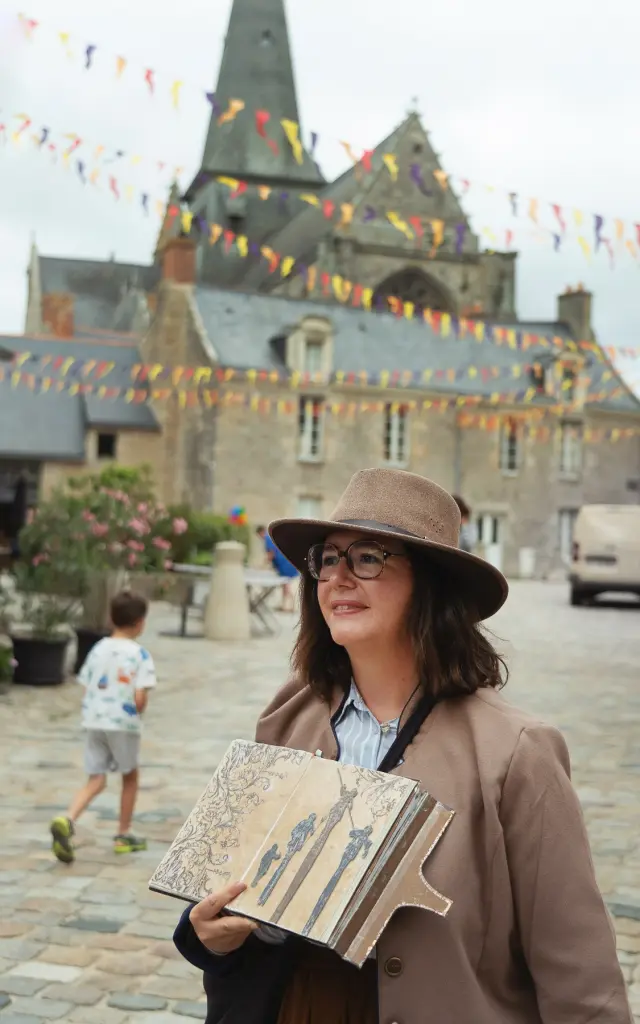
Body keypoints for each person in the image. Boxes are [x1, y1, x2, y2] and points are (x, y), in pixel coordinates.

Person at [174, 469, 632, 1024]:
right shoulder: (287, 717)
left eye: (368, 558)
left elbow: (579, 975)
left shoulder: (516, 753)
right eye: (328, 558)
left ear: (432, 585)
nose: (338, 577)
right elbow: (239, 897)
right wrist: (210, 934)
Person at [50, 590, 156, 864]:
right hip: (122, 724)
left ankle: (67, 818)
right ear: (140, 622)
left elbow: (86, 682)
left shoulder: (98, 648)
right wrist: (137, 711)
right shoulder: (139, 654)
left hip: (94, 720)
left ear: (111, 618)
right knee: (130, 777)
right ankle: (123, 834)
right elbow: (140, 697)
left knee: (96, 778)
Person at [256, 524, 299, 613]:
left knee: (286, 585)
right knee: (285, 585)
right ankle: (285, 605)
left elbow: (271, 554)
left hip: (284, 565)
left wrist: (263, 566)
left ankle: (291, 606)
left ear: (260, 532)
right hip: (284, 564)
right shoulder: (270, 538)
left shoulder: (267, 539)